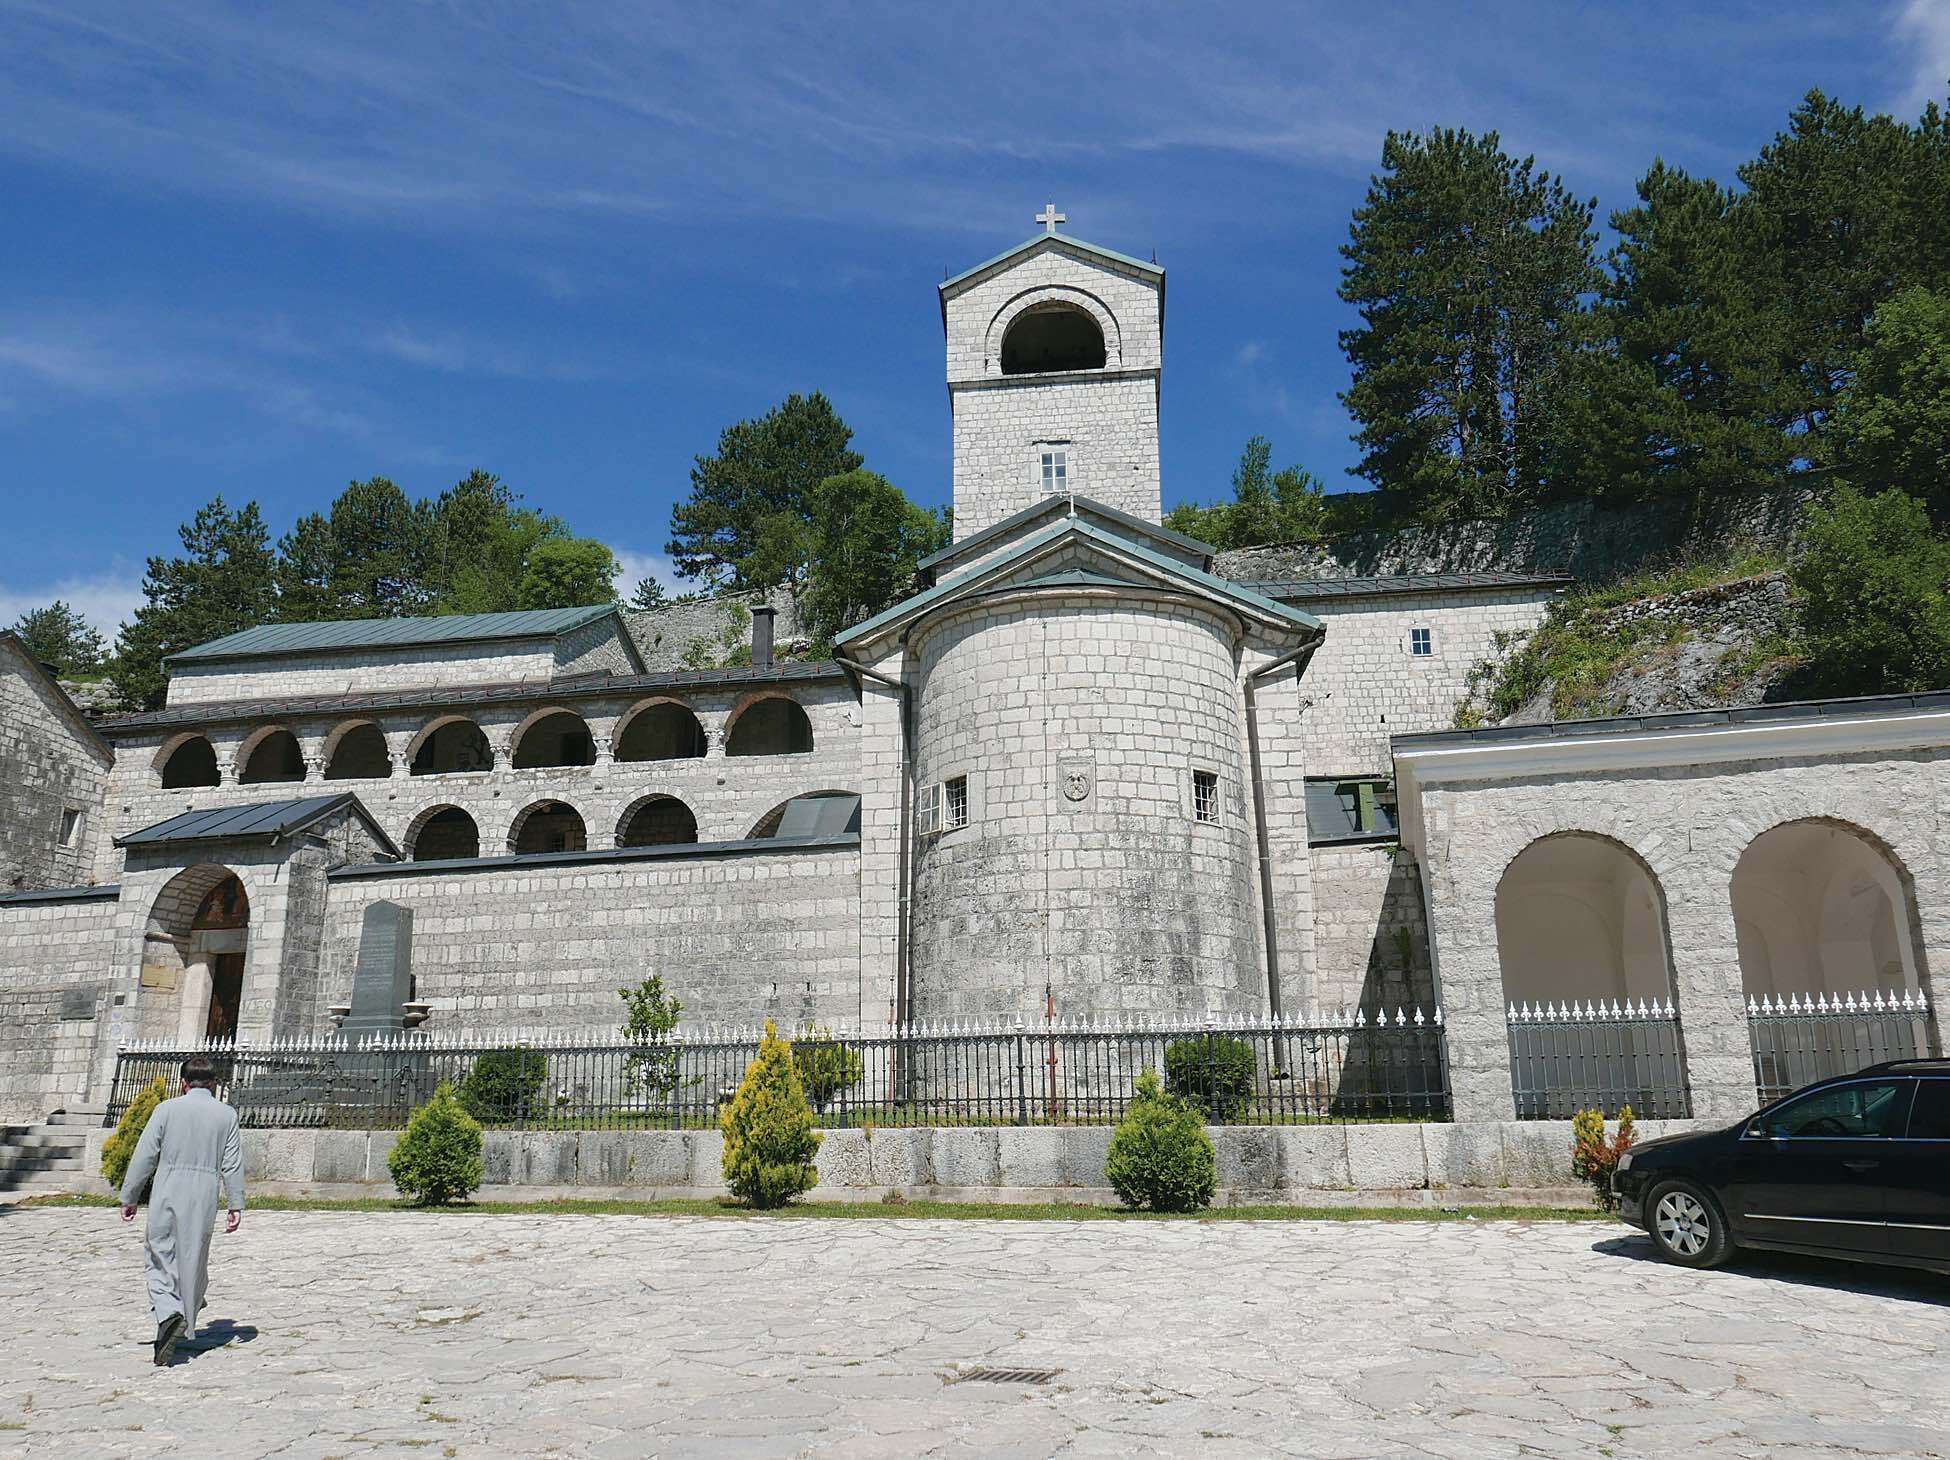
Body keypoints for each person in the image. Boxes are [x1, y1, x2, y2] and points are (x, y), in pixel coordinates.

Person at [118, 1056, 246, 1366]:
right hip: (203, 1193)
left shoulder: (166, 1110)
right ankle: (185, 1316)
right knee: (193, 1257)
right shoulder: (226, 1115)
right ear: (214, 1084)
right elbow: (232, 1161)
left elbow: (145, 1154)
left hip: (168, 1188)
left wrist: (130, 1195)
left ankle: (169, 1313)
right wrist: (235, 1203)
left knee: (160, 1256)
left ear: (183, 1083)